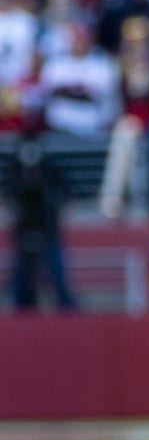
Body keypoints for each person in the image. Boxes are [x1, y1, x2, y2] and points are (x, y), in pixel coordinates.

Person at [7, 119, 78, 312]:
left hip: (49, 229)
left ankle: (68, 309)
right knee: (21, 279)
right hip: (24, 231)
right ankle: (21, 309)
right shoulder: (15, 169)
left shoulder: (49, 169)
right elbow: (10, 197)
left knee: (56, 274)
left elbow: (68, 193)